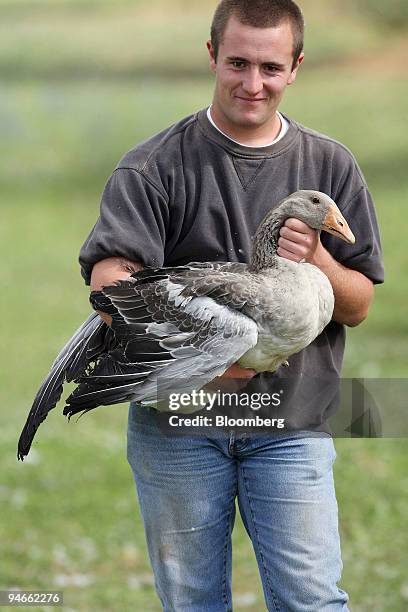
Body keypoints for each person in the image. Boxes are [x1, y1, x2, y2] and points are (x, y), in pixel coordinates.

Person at [79, 0, 384, 609]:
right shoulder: (152, 165)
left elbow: (357, 306)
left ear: (295, 66)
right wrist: (207, 362)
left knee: (312, 601)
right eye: (238, 63)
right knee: (193, 604)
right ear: (212, 55)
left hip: (290, 423)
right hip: (180, 424)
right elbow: (112, 280)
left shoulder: (330, 166)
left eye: (270, 67)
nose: (253, 83)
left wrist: (319, 260)